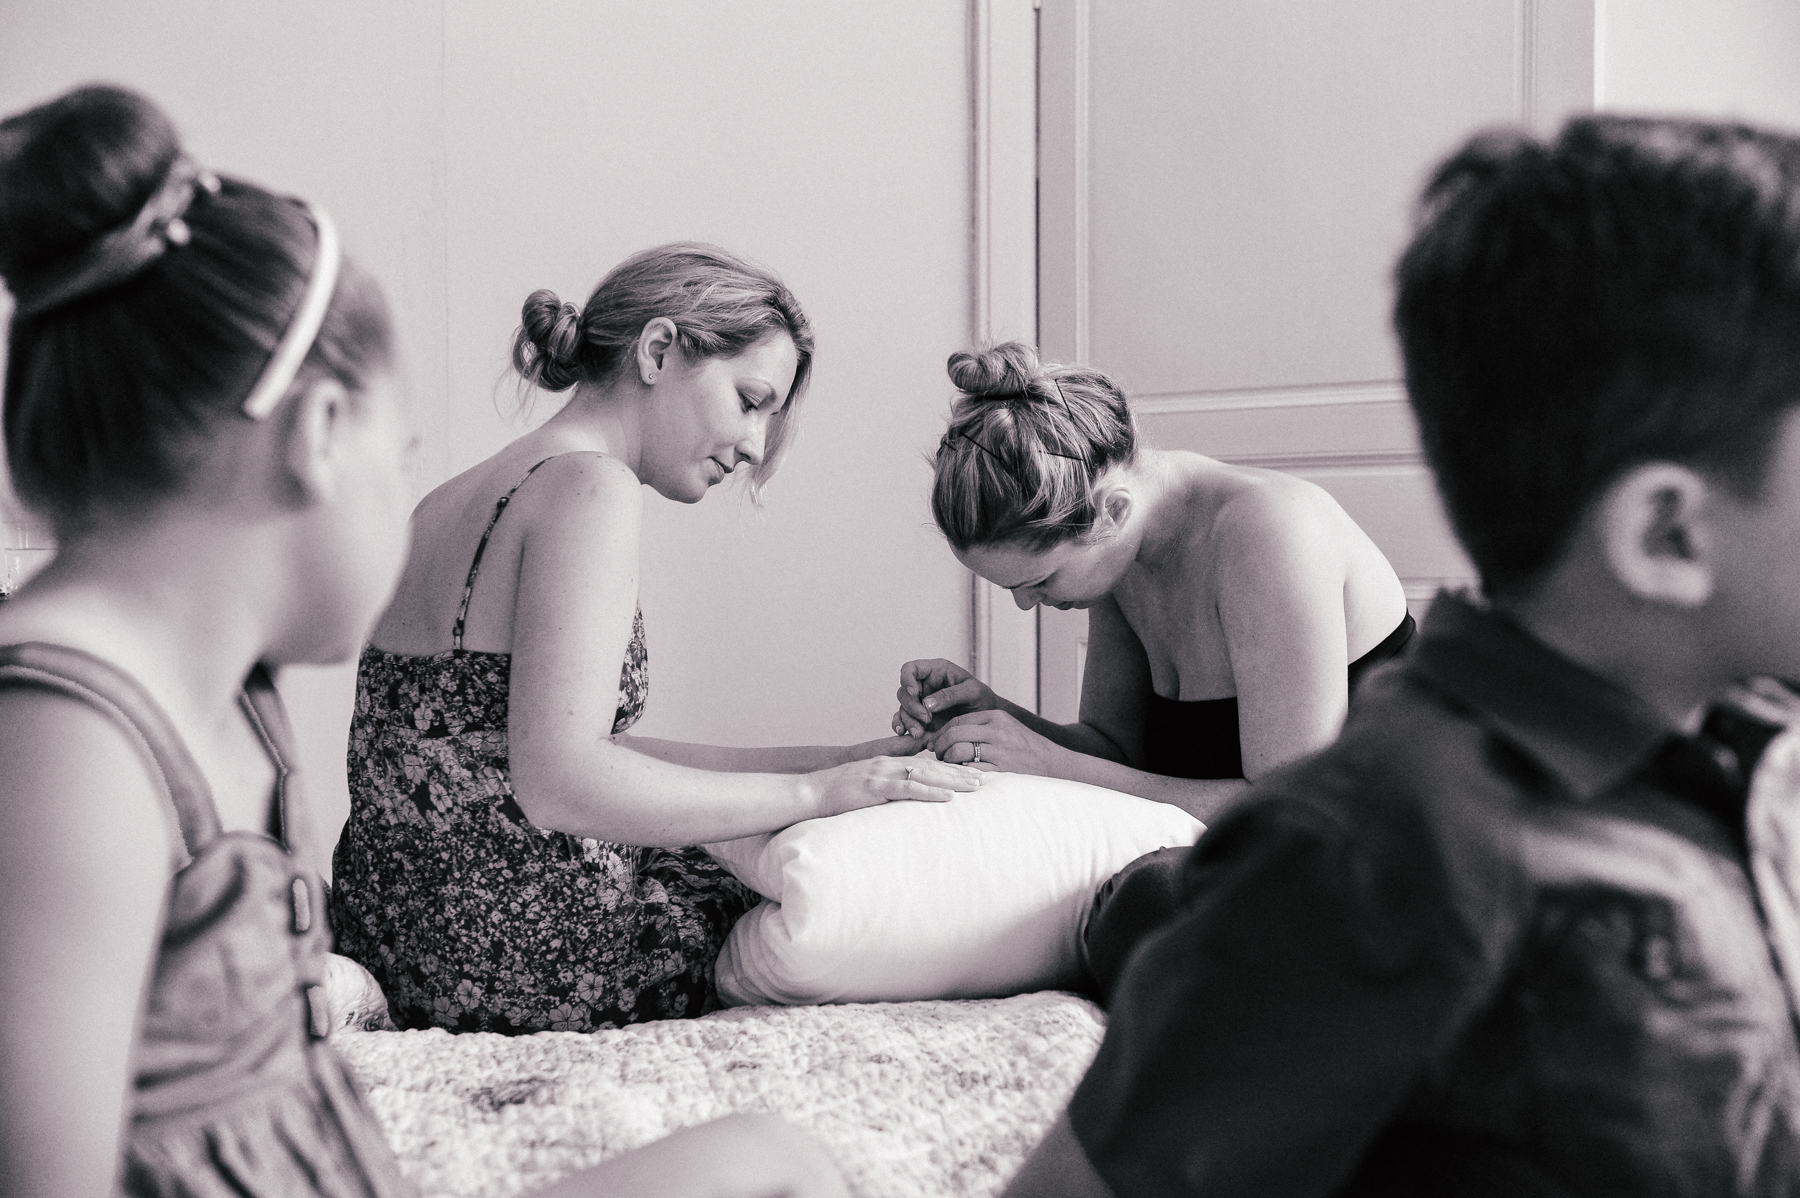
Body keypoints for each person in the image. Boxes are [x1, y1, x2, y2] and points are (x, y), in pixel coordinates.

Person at [0, 84, 851, 1198]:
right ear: (319, 437)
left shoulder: (228, 703)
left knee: (774, 1157)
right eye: (398, 451)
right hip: (520, 956)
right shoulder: (70, 740)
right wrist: (818, 792)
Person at [1003, 114, 1800, 1197]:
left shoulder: (1760, 745)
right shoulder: (1386, 848)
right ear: (1665, 534)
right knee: (1146, 905)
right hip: (1236, 895)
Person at [329, 242, 982, 1036]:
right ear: (660, 350)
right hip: (530, 968)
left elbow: (534, 750)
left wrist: (837, 761)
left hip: (401, 946)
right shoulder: (589, 487)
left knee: (791, 829)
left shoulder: (445, 501)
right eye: (750, 401)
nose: (755, 447)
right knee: (839, 881)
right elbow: (563, 780)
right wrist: (816, 797)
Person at [891, 342, 1413, 824]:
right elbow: (1115, 752)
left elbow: (1292, 812)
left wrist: (1050, 763)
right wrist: (995, 719)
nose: (1027, 605)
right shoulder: (1121, 554)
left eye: (1040, 580)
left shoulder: (1272, 536)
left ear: (1112, 511)